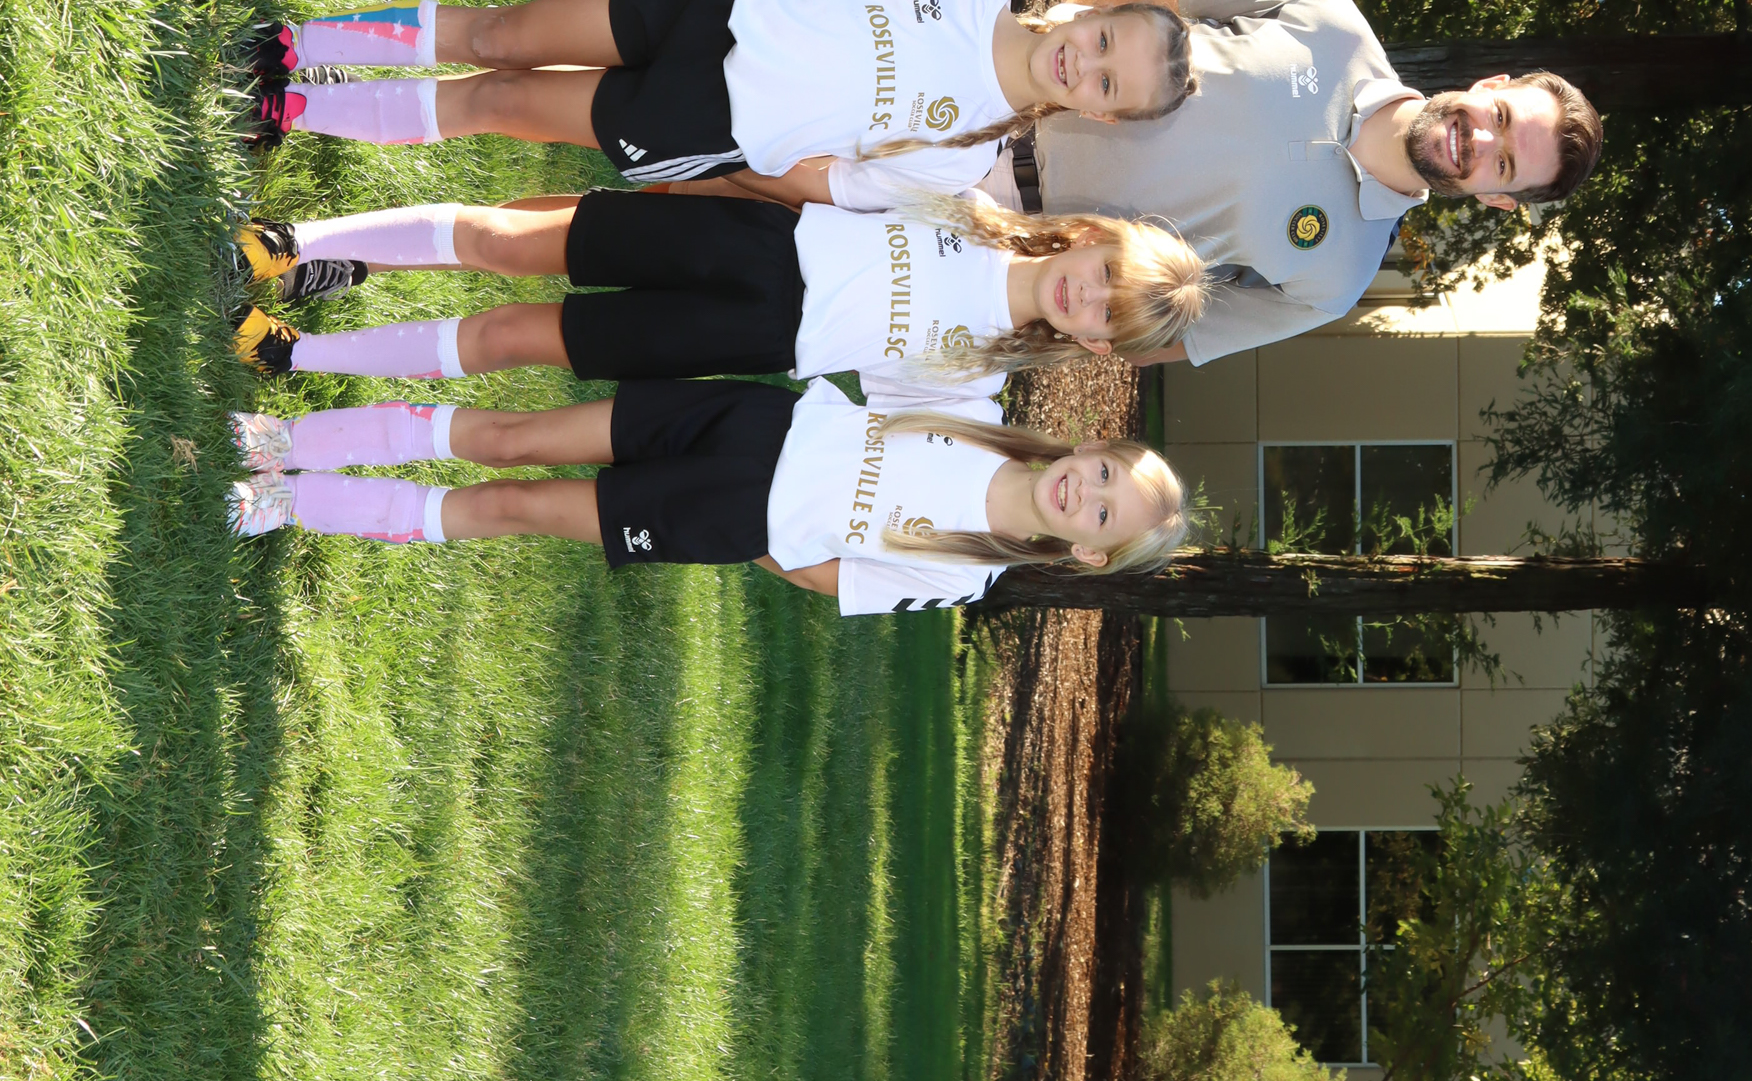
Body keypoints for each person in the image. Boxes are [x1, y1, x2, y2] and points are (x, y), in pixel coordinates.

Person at [989, 0, 1604, 363]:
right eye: (1502, 118)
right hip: (996, 109)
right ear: (1492, 86)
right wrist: (1035, 67)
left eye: (1504, 164)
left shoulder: (1338, 280)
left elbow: (1169, 337)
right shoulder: (1331, 21)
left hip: (1003, 247)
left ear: (1496, 198)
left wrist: (1045, 300)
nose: (1482, 140)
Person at [243, 0, 1197, 198]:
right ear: (1098, 12)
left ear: (1100, 117)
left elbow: (826, 180)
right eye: (1107, 41)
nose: (1087, 64)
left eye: (1108, 85)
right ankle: (300, 47)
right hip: (713, 7)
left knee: (501, 99)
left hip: (707, 117)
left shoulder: (958, 159)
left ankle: (296, 112)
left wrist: (738, 152)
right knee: (501, 34)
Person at [222, 367, 1189, 607]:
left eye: (1105, 515)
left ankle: (289, 501)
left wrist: (747, 534)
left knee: (513, 507)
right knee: (515, 439)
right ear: (1090, 447)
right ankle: (285, 440)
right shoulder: (974, 409)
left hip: (727, 515)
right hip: (743, 422)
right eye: (1104, 472)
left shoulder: (967, 574)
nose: (1087, 493)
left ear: (1088, 551)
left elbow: (829, 578)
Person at [223, 186, 1208, 382]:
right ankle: (293, 243)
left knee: (513, 337)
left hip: (747, 339)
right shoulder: (968, 202)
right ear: (1091, 239)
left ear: (1096, 343)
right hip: (743, 243)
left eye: (1105, 315)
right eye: (1102, 276)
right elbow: (824, 179)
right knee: (500, 238)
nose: (1085, 297)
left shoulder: (976, 374)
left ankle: (298, 354)